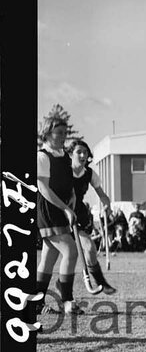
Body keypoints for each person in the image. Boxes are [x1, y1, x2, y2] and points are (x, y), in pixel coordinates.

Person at [35, 117, 82, 315]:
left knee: (49, 257)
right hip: (49, 210)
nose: (63, 136)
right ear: (47, 134)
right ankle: (67, 300)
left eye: (64, 132)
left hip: (62, 208)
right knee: (71, 251)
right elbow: (43, 188)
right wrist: (65, 209)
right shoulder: (42, 156)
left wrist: (72, 196)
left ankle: (35, 302)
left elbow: (66, 181)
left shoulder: (64, 156)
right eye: (58, 133)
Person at [67, 139, 116, 295]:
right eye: (79, 152)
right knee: (63, 255)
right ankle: (58, 288)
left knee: (89, 248)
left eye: (85, 152)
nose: (82, 155)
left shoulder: (89, 174)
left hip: (78, 214)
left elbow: (103, 195)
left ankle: (101, 283)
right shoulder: (63, 171)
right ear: (70, 154)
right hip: (59, 213)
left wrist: (107, 206)